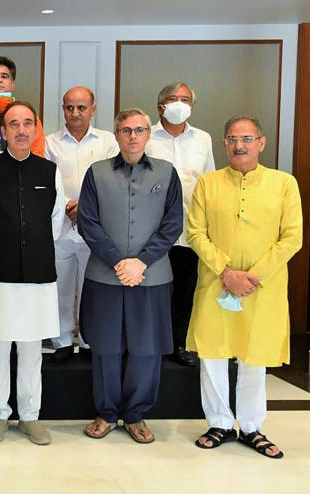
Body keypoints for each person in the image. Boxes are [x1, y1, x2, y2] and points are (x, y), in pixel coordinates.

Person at [187, 116, 301, 459]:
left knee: (255, 355)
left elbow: (291, 237)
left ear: (261, 143)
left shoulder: (284, 183)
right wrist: (226, 272)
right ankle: (219, 422)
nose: (239, 145)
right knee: (214, 353)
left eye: (247, 139)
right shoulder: (207, 183)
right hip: (215, 283)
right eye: (233, 139)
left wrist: (252, 275)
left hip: (261, 287)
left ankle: (252, 427)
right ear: (224, 144)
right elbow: (195, 232)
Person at [77, 108, 182, 444]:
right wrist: (119, 263)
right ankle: (107, 412)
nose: (133, 136)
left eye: (139, 130)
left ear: (148, 134)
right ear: (116, 134)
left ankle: (136, 414)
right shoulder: (96, 172)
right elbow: (88, 223)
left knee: (146, 348)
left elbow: (172, 225)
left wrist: (141, 263)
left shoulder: (167, 173)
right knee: (105, 346)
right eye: (126, 130)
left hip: (151, 277)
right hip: (105, 275)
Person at [0, 102, 65, 445]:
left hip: (38, 273)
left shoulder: (49, 171)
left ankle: (30, 415)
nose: (22, 130)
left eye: (28, 123)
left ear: (36, 128)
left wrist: (33, 248)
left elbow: (55, 221)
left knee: (30, 348)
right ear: (4, 130)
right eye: (14, 124)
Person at [44, 87, 119, 362]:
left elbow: (112, 181)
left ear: (93, 109)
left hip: (96, 229)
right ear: (63, 108)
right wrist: (68, 205)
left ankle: (89, 340)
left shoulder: (108, 142)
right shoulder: (50, 142)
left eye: (81, 108)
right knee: (61, 287)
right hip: (60, 227)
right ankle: (62, 341)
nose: (75, 113)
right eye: (69, 107)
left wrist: (85, 208)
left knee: (92, 289)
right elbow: (45, 180)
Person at [145, 82, 216, 367]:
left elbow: (208, 181)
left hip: (190, 230)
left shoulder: (203, 139)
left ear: (192, 106)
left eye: (185, 99)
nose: (179, 103)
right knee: (152, 291)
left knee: (185, 291)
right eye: (173, 98)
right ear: (160, 105)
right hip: (152, 231)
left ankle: (178, 343)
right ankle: (149, 344)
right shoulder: (145, 135)